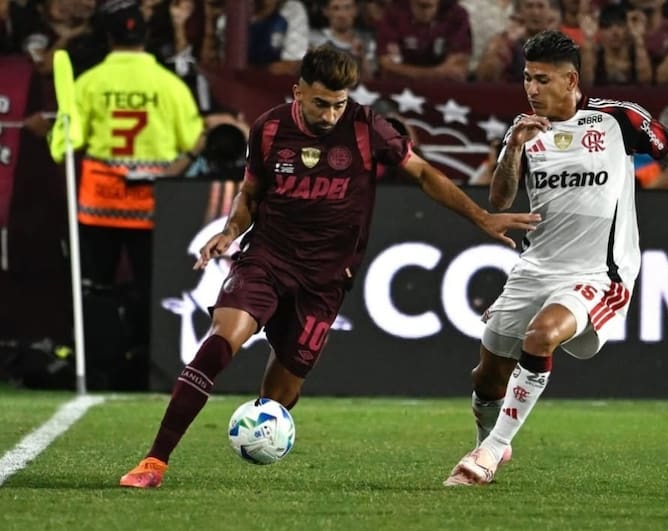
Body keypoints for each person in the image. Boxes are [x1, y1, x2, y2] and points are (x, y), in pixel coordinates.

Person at [119, 44, 539, 488]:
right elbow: (250, 194)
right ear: (297, 91)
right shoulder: (269, 129)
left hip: (324, 283)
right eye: (321, 103)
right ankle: (155, 461)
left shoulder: (365, 126)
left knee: (279, 398)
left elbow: (422, 174)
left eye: (339, 103)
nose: (331, 114)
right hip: (267, 259)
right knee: (222, 340)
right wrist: (230, 231)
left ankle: (262, 429)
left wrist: (480, 215)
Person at [442, 30, 668, 486]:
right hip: (534, 268)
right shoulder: (524, 130)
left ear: (571, 79)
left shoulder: (617, 120)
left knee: (541, 337)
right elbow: (500, 200)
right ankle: (493, 443)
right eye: (526, 79)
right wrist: (514, 146)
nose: (531, 89)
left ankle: (488, 452)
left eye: (541, 79)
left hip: (600, 273)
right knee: (486, 379)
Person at [49, 0, 204, 388]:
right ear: (146, 36)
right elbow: (194, 138)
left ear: (107, 36)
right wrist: (178, 163)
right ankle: (146, 364)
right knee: (153, 287)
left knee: (96, 288)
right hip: (154, 205)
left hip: (98, 202)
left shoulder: (89, 83)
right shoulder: (169, 84)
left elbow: (63, 145)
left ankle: (98, 364)